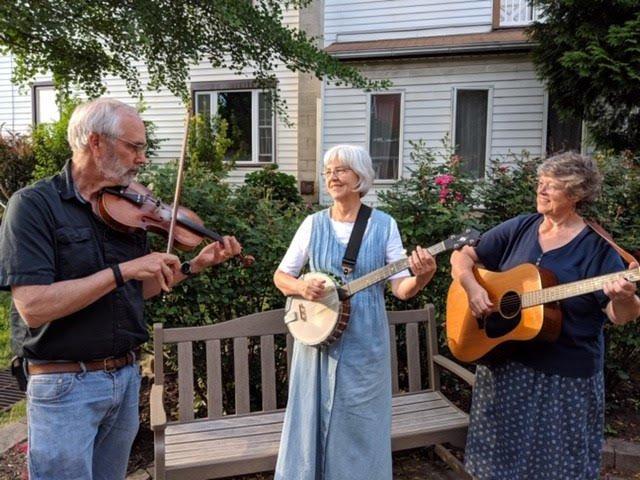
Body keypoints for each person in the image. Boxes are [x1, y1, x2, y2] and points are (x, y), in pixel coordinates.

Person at [0, 98, 241, 480]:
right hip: (64, 385)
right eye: (135, 147)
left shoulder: (126, 207)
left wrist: (195, 265)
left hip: (125, 380)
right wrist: (124, 269)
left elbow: (137, 290)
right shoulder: (33, 207)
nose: (142, 159)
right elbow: (33, 305)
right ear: (96, 142)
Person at [450, 152, 640, 479]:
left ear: (577, 194)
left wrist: (624, 297)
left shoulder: (597, 247)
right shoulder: (522, 226)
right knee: (498, 467)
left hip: (563, 378)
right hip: (506, 368)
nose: (541, 191)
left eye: (552, 186)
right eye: (540, 183)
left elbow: (621, 314)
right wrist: (473, 288)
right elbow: (463, 256)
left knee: (558, 468)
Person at [273, 144, 437, 479]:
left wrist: (424, 276)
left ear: (360, 176)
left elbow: (401, 289)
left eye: (341, 170)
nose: (332, 177)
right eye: (328, 171)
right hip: (317, 340)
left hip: (364, 342)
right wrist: (301, 287)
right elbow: (280, 276)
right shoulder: (312, 224)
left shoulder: (384, 225)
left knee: (361, 423)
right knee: (311, 419)